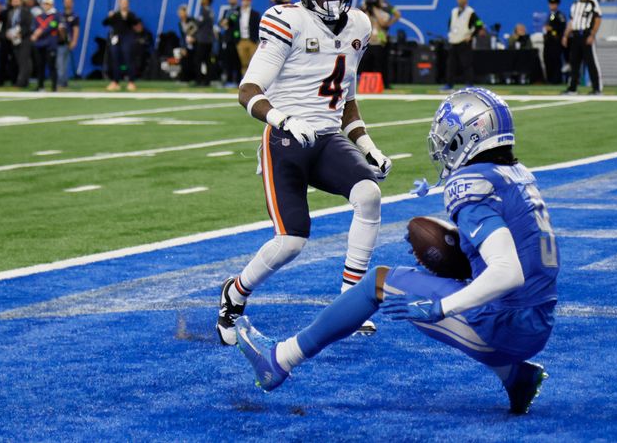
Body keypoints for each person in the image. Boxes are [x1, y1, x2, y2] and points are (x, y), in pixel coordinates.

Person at [236, 88, 559, 416]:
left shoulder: (471, 182)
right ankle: (515, 376)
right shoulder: (518, 176)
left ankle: (278, 360)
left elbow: (507, 271)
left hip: (505, 326)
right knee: (442, 283)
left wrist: (442, 306)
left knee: (379, 283)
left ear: (468, 135)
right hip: (538, 322)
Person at [216, 0, 392, 346]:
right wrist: (284, 118)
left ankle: (350, 300)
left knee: (369, 195)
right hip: (285, 139)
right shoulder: (284, 20)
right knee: (291, 241)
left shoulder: (360, 25)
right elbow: (248, 90)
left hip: (328, 137)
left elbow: (345, 98)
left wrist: (367, 145)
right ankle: (235, 292)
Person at [562, 0, 602, 95]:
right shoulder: (575, 3)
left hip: (586, 34)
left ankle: (596, 88)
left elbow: (598, 19)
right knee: (574, 63)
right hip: (575, 35)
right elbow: (572, 21)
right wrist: (565, 35)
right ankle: (572, 88)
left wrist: (592, 34)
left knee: (590, 62)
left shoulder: (593, 2)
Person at [443, 0, 484, 90]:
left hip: (464, 41)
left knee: (466, 64)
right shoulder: (454, 11)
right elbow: (451, 24)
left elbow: (479, 24)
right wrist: (450, 34)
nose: (461, 0)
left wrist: (472, 35)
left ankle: (469, 84)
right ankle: (449, 84)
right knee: (451, 65)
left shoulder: (470, 12)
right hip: (453, 40)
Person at [360, 0, 400, 90]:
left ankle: (384, 83)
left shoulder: (383, 11)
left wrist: (374, 10)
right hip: (368, 41)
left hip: (380, 41)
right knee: (366, 63)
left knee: (381, 64)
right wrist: (366, 9)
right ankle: (366, 84)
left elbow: (383, 23)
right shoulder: (366, 11)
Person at [102, 0, 140, 91]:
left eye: (125, 2)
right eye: (122, 2)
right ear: (119, 3)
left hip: (127, 38)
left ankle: (131, 81)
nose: (124, 4)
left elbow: (136, 22)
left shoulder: (131, 15)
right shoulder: (115, 15)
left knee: (128, 60)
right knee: (115, 60)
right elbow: (105, 23)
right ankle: (115, 81)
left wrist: (127, 16)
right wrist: (109, 16)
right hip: (116, 38)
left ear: (128, 4)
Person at [30, 0, 59, 92]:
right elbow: (34, 26)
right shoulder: (39, 16)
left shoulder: (56, 16)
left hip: (50, 44)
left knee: (52, 66)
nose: (46, 5)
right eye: (44, 3)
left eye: (48, 4)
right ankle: (40, 86)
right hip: (39, 44)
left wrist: (39, 32)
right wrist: (35, 33)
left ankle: (54, 87)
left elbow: (52, 26)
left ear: (52, 4)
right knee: (40, 66)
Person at [5, 0, 33, 88]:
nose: (15, 2)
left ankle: (20, 83)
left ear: (21, 1)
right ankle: (25, 81)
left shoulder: (26, 11)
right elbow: (9, 25)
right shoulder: (10, 12)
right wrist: (8, 33)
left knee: (24, 61)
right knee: (19, 61)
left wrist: (21, 34)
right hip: (14, 39)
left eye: (17, 0)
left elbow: (28, 25)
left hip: (24, 39)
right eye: (13, 0)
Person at [56, 0, 79, 89]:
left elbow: (76, 29)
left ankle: (63, 83)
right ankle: (61, 82)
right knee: (59, 63)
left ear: (72, 3)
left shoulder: (74, 16)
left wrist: (74, 41)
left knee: (65, 64)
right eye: (66, 2)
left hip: (68, 42)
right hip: (60, 42)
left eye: (69, 2)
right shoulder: (59, 15)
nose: (67, 3)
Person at [219, 0, 242, 87]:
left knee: (237, 60)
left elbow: (234, 20)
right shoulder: (226, 10)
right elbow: (221, 23)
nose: (231, 0)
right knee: (228, 60)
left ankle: (238, 80)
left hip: (237, 38)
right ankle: (228, 80)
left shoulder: (239, 9)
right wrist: (223, 22)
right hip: (228, 38)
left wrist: (227, 21)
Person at [543, 0, 567, 84]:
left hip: (556, 41)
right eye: (550, 4)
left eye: (554, 4)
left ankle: (556, 80)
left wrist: (552, 28)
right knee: (548, 59)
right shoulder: (550, 15)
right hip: (549, 41)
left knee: (556, 60)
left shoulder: (560, 15)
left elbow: (562, 27)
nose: (552, 6)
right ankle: (550, 79)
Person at [236, 0, 260, 76]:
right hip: (241, 40)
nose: (245, 2)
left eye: (247, 0)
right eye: (244, 0)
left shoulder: (255, 14)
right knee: (243, 63)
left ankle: (254, 81)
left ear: (250, 1)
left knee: (253, 62)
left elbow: (258, 27)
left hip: (251, 40)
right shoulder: (237, 13)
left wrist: (257, 40)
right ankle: (244, 81)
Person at [194, 0, 215, 86]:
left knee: (198, 60)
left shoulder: (203, 11)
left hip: (203, 39)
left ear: (207, 1)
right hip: (209, 39)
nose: (202, 0)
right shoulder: (211, 11)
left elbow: (198, 23)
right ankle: (207, 80)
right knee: (207, 61)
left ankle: (199, 80)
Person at [176, 4, 197, 82]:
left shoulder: (192, 21)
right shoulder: (180, 23)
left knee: (194, 61)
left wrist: (194, 39)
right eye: (179, 13)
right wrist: (183, 47)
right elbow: (183, 36)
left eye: (181, 12)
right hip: (187, 45)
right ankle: (185, 78)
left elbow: (196, 32)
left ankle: (195, 78)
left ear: (186, 12)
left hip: (195, 44)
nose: (180, 14)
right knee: (184, 61)